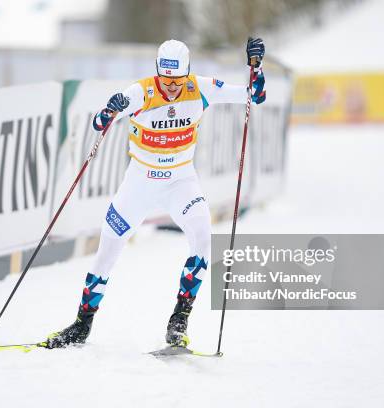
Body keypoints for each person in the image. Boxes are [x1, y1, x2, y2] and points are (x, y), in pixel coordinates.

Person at [44, 38, 266, 349]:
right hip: (140, 182)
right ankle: (82, 324)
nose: (172, 87)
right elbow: (99, 123)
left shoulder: (200, 88)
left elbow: (253, 97)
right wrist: (111, 109)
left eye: (178, 80)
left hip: (181, 181)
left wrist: (255, 68)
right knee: (107, 251)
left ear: (187, 73)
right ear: (157, 73)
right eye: (166, 80)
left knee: (203, 238)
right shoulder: (141, 92)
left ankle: (179, 319)